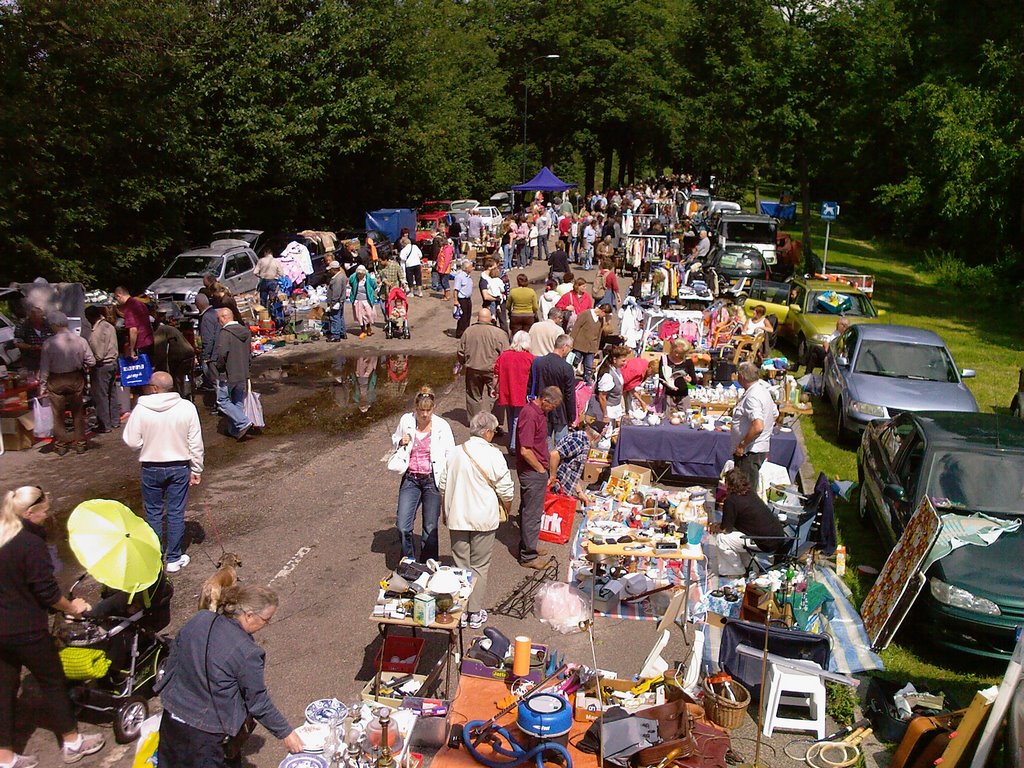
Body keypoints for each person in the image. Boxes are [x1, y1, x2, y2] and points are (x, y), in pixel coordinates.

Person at [0, 487, 106, 768]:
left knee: (4, 689)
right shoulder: (30, 544)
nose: (48, 517)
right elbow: (46, 592)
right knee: (53, 683)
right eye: (45, 511)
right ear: (29, 513)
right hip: (27, 629)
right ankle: (72, 743)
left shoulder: (2, 535)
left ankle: (5, 757)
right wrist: (72, 607)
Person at [155, 585, 303, 767]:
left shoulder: (200, 618)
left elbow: (174, 658)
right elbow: (258, 702)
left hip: (172, 717)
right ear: (249, 615)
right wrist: (286, 733)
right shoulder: (248, 653)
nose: (266, 624)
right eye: (266, 619)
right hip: (205, 733)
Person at [438, 412, 514, 630]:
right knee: (479, 565)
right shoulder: (494, 455)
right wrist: (505, 509)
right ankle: (474, 612)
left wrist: (446, 510)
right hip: (484, 520)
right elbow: (506, 490)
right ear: (488, 432)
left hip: (457, 517)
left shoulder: (455, 453)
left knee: (460, 565)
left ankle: (460, 611)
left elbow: (443, 484)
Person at [123, 371, 204, 573]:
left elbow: (131, 441)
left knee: (153, 513)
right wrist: (196, 468)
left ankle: (154, 557)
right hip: (179, 466)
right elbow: (195, 442)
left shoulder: (141, 409)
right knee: (176, 512)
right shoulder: (187, 407)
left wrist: (146, 443)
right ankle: (174, 558)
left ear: (155, 388)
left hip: (151, 466)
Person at [391, 388, 455, 563]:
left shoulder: (442, 426)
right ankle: (409, 561)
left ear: (433, 408)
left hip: (431, 481)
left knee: (430, 527)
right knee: (403, 525)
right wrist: (400, 442)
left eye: (428, 410)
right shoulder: (406, 420)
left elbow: (451, 453)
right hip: (411, 479)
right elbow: (395, 438)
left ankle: (429, 564)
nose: (425, 414)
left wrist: (447, 481)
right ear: (415, 408)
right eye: (421, 410)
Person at [516, 386, 562, 569]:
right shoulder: (530, 415)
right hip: (532, 472)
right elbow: (525, 450)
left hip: (535, 470)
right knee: (532, 514)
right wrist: (540, 470)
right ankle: (528, 556)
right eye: (554, 406)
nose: (554, 410)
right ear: (545, 401)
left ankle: (529, 545)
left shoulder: (538, 413)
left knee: (530, 510)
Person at [711, 468, 786, 577]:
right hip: (777, 537)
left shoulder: (731, 500)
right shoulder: (750, 492)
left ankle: (735, 571)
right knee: (737, 537)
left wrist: (714, 527)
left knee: (722, 539)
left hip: (764, 543)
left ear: (729, 484)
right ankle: (747, 565)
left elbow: (726, 529)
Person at [39, 312, 95, 456]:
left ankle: (61, 445)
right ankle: (81, 443)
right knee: (78, 412)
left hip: (56, 380)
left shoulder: (48, 343)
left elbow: (44, 368)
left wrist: (42, 386)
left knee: (58, 414)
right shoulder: (80, 340)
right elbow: (91, 361)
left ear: (55, 325)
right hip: (75, 378)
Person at [731, 361, 779, 489]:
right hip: (756, 449)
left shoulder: (752, 396)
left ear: (741, 377)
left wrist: (742, 445)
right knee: (745, 488)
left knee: (745, 490)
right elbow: (774, 413)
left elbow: (758, 426)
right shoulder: (762, 390)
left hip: (749, 452)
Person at [457, 308, 508, 421]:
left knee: (473, 397)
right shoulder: (499, 333)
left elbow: (461, 351)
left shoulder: (468, 331)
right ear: (490, 318)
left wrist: (463, 363)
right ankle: (495, 423)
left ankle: (475, 421)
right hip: (492, 370)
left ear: (478, 318)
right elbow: (505, 353)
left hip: (473, 369)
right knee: (495, 396)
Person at [526, 334, 577, 446]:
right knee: (561, 446)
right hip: (561, 411)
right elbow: (569, 394)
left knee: (543, 443)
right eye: (570, 348)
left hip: (542, 407)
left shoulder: (538, 362)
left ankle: (544, 463)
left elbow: (530, 384)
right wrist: (572, 415)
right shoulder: (566, 368)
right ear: (565, 347)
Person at [212, 308, 254, 441]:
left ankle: (243, 422)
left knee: (223, 401)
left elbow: (222, 354)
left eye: (219, 320)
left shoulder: (225, 333)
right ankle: (235, 430)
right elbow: (249, 353)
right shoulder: (245, 331)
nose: (219, 323)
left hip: (228, 374)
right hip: (242, 372)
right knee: (237, 401)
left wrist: (218, 367)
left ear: (224, 318)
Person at [494, 332, 534, 452]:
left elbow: (496, 373)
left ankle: (512, 440)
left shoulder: (504, 356)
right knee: (518, 418)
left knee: (510, 417)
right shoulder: (530, 358)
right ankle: (514, 444)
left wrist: (493, 388)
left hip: (506, 391)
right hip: (521, 392)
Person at [84, 305, 120, 433]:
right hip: (113, 362)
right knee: (112, 394)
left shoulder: (97, 331)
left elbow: (98, 354)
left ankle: (105, 425)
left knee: (102, 396)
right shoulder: (109, 326)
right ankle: (115, 421)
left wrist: (90, 361)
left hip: (102, 365)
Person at [551, 426, 601, 502]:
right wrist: (553, 477)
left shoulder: (584, 441)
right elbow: (554, 455)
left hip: (562, 487)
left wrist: (579, 492)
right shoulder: (579, 442)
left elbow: (573, 469)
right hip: (557, 486)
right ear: (596, 437)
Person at [586, 345, 630, 431]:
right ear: (614, 359)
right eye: (623, 361)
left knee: (610, 432)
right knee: (604, 435)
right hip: (606, 409)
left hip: (613, 408)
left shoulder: (616, 369)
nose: (625, 363)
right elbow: (602, 396)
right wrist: (605, 415)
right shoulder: (607, 375)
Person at [151, 315, 196, 398]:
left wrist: (155, 365)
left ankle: (181, 396)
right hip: (188, 353)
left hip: (181, 356)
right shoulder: (167, 328)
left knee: (178, 378)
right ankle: (188, 394)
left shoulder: (159, 331)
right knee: (185, 377)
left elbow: (159, 351)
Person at [570, 303, 612, 384]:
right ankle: (570, 379)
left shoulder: (600, 320)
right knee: (575, 362)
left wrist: (596, 347)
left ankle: (587, 382)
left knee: (588, 366)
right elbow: (576, 328)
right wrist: (571, 341)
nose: (604, 317)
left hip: (591, 347)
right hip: (579, 345)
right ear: (602, 311)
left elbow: (599, 335)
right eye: (605, 315)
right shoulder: (586, 314)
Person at [113, 286, 154, 362]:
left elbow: (133, 329)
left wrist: (131, 350)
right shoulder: (140, 303)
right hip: (149, 341)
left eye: (116, 299)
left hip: (140, 344)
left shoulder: (129, 307)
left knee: (140, 371)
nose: (117, 302)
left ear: (119, 295)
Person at [660, 339, 697, 412]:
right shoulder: (665, 359)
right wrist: (669, 385)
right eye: (676, 352)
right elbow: (661, 378)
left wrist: (690, 380)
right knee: (667, 419)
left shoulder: (688, 361)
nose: (677, 355)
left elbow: (694, 381)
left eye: (680, 353)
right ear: (672, 349)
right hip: (669, 395)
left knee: (685, 418)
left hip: (683, 395)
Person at [12, 307, 52, 373]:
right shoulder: (22, 325)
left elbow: (57, 337)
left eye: (40, 318)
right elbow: (17, 343)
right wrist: (32, 347)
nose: (39, 321)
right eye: (35, 319)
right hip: (30, 358)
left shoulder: (48, 323)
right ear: (31, 318)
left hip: (49, 357)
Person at [195, 294, 220, 393]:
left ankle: (218, 403)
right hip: (217, 352)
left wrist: (205, 356)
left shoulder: (206, 317)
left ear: (199, 305)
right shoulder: (214, 313)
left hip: (211, 355)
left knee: (214, 381)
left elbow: (208, 339)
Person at [348, 265, 379, 339]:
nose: (359, 275)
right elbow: (350, 283)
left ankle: (368, 328)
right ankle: (363, 330)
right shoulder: (353, 277)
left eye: (361, 274)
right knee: (360, 316)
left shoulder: (369, 278)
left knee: (368, 315)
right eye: (358, 274)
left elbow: (374, 286)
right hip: (358, 300)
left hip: (367, 300)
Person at [325, 261, 349, 342]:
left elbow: (336, 292)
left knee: (335, 318)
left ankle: (335, 335)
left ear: (334, 270)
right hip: (340, 301)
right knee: (340, 317)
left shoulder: (337, 279)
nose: (329, 271)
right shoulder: (342, 276)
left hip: (336, 302)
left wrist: (332, 303)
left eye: (330, 270)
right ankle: (342, 333)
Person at [452, 260, 474, 339]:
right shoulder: (459, 277)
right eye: (470, 267)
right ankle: (460, 333)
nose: (472, 268)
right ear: (466, 268)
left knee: (468, 316)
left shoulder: (468, 276)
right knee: (463, 317)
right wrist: (455, 300)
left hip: (468, 299)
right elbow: (456, 289)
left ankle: (466, 332)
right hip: (462, 299)